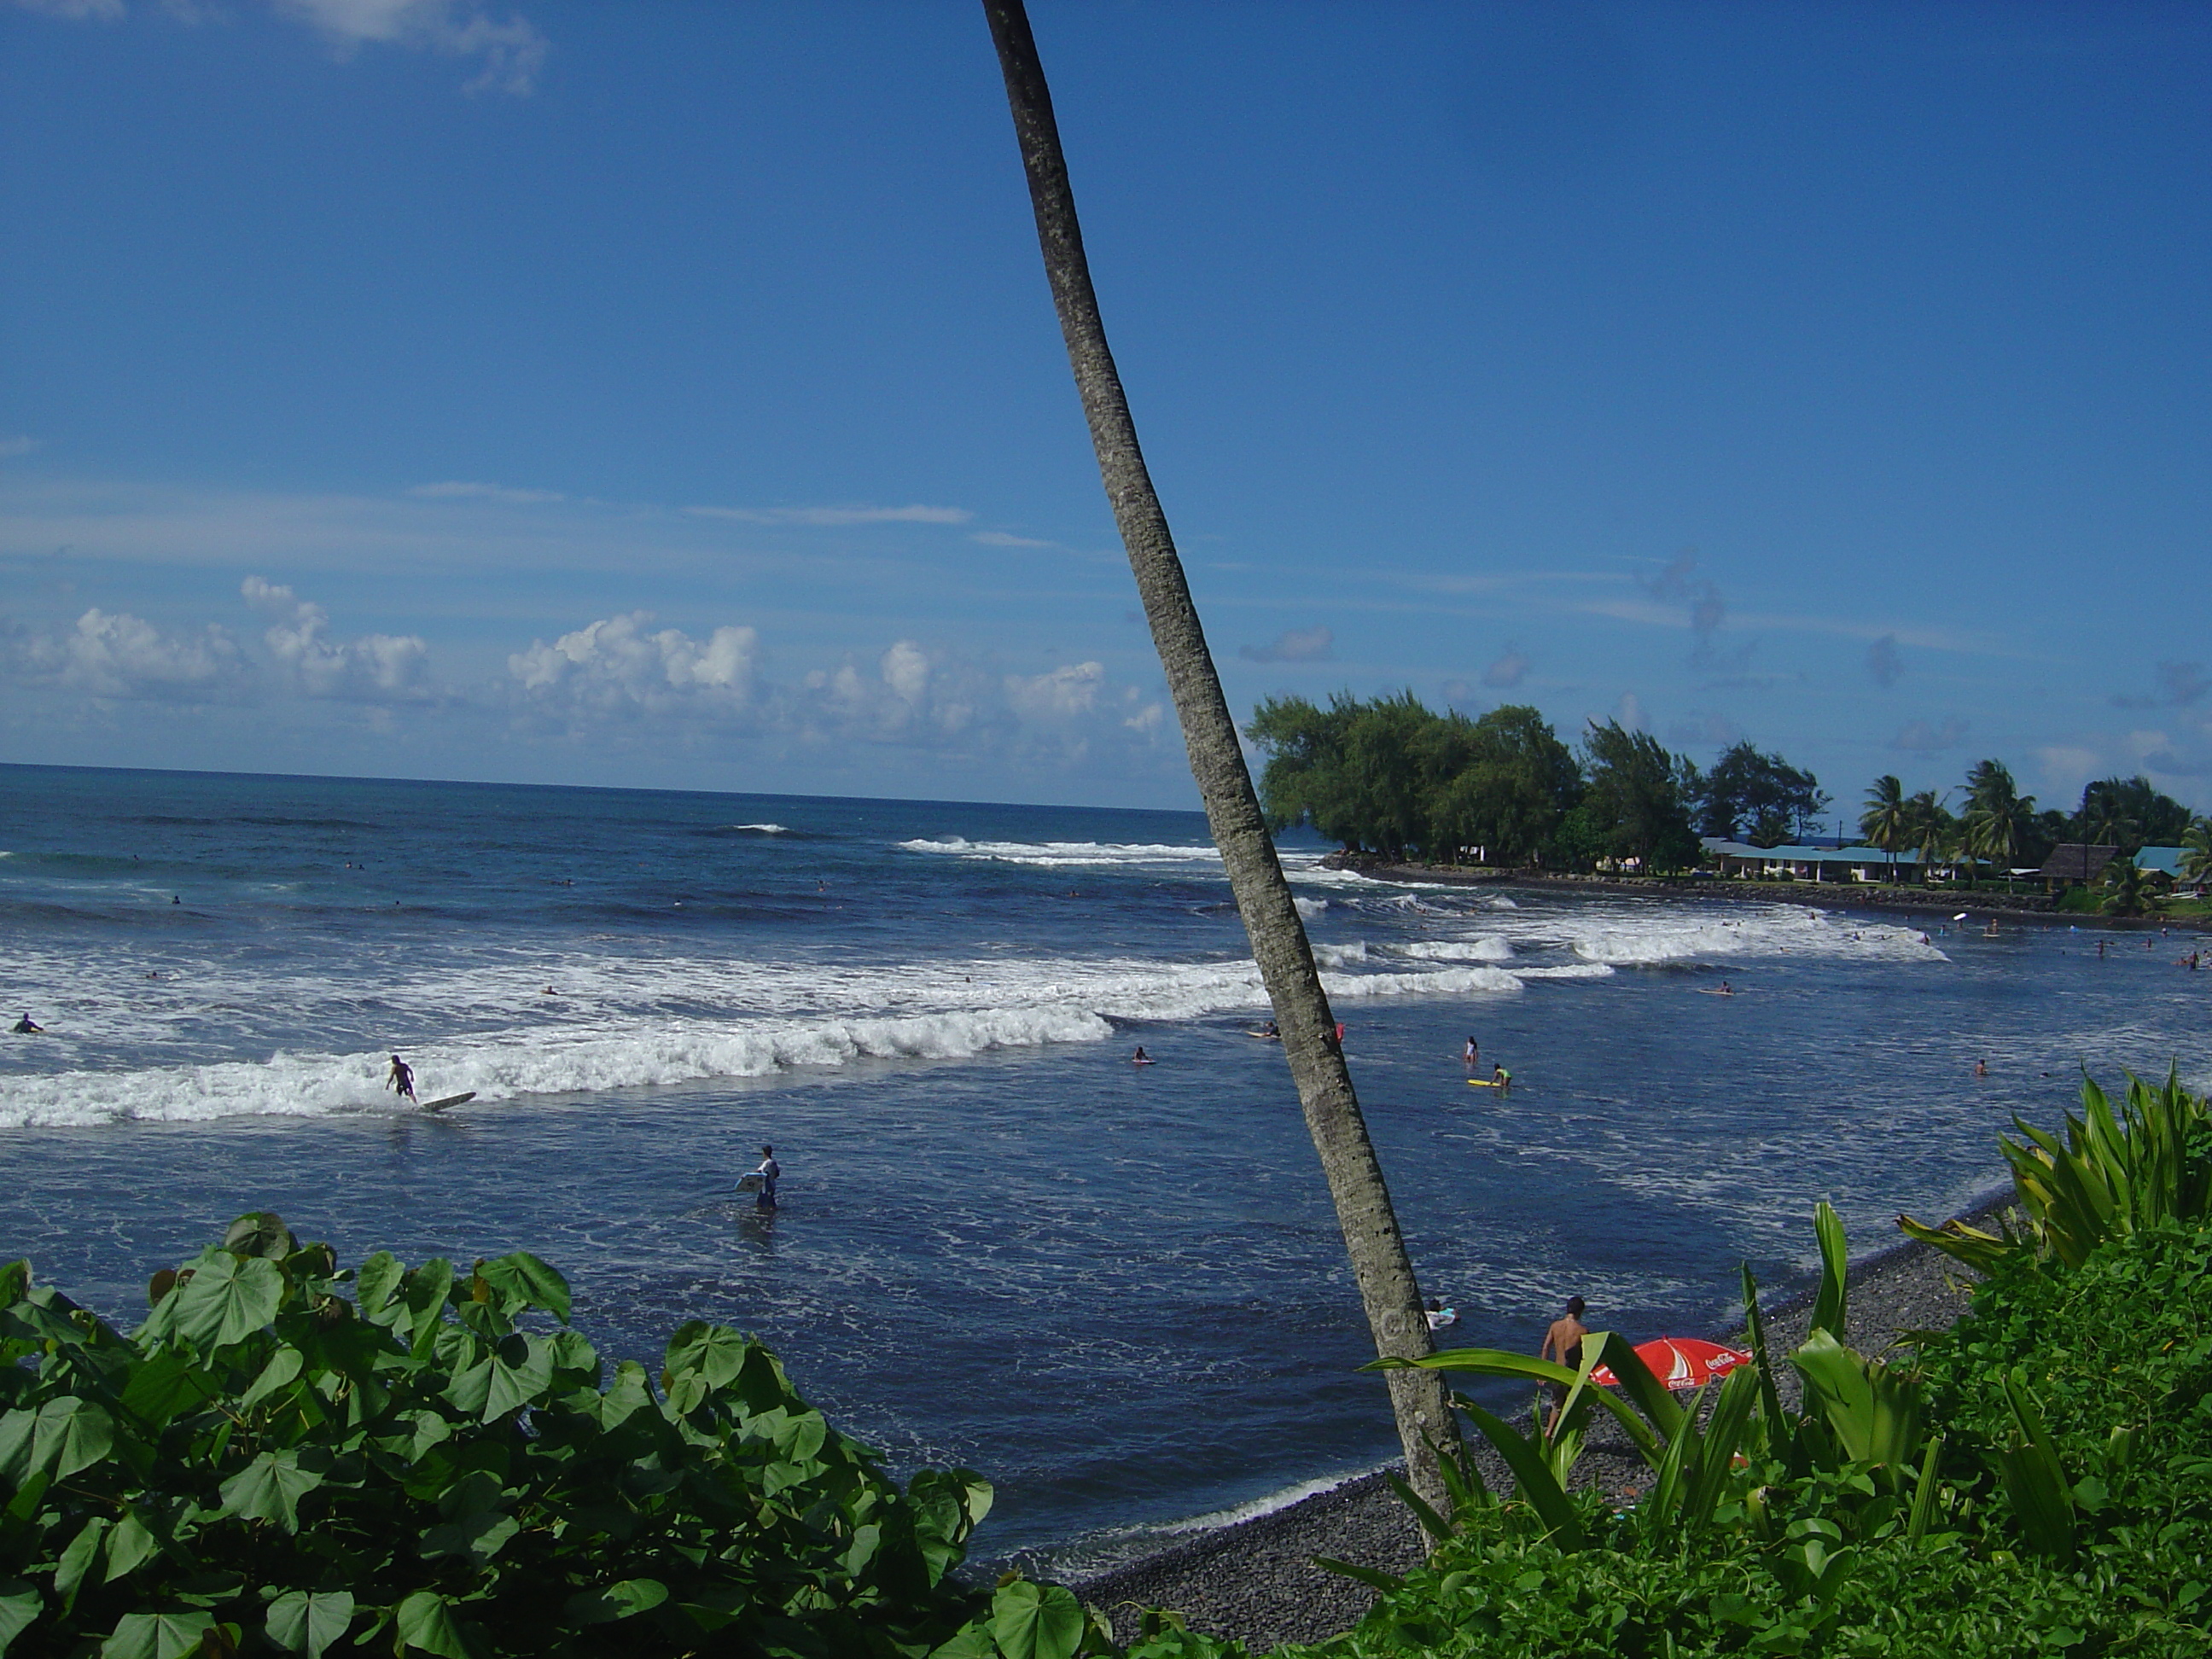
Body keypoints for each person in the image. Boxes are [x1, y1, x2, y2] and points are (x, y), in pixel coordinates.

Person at [1540, 1295, 1589, 1436]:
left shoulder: (1555, 1326)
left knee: (1556, 1404)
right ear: (1580, 1312)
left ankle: (1550, 1431)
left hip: (1557, 1371)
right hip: (1572, 1374)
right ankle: (1558, 1432)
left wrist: (1542, 1371)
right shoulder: (1582, 1331)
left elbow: (1546, 1348)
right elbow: (1586, 1355)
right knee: (1570, 1404)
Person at [751, 1144, 780, 1210]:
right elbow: (777, 1174)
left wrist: (748, 1175)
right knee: (763, 1201)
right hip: (772, 1184)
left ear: (764, 1153)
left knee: (767, 1202)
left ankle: (769, 1214)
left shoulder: (767, 1162)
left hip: (767, 1186)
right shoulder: (774, 1163)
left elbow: (759, 1171)